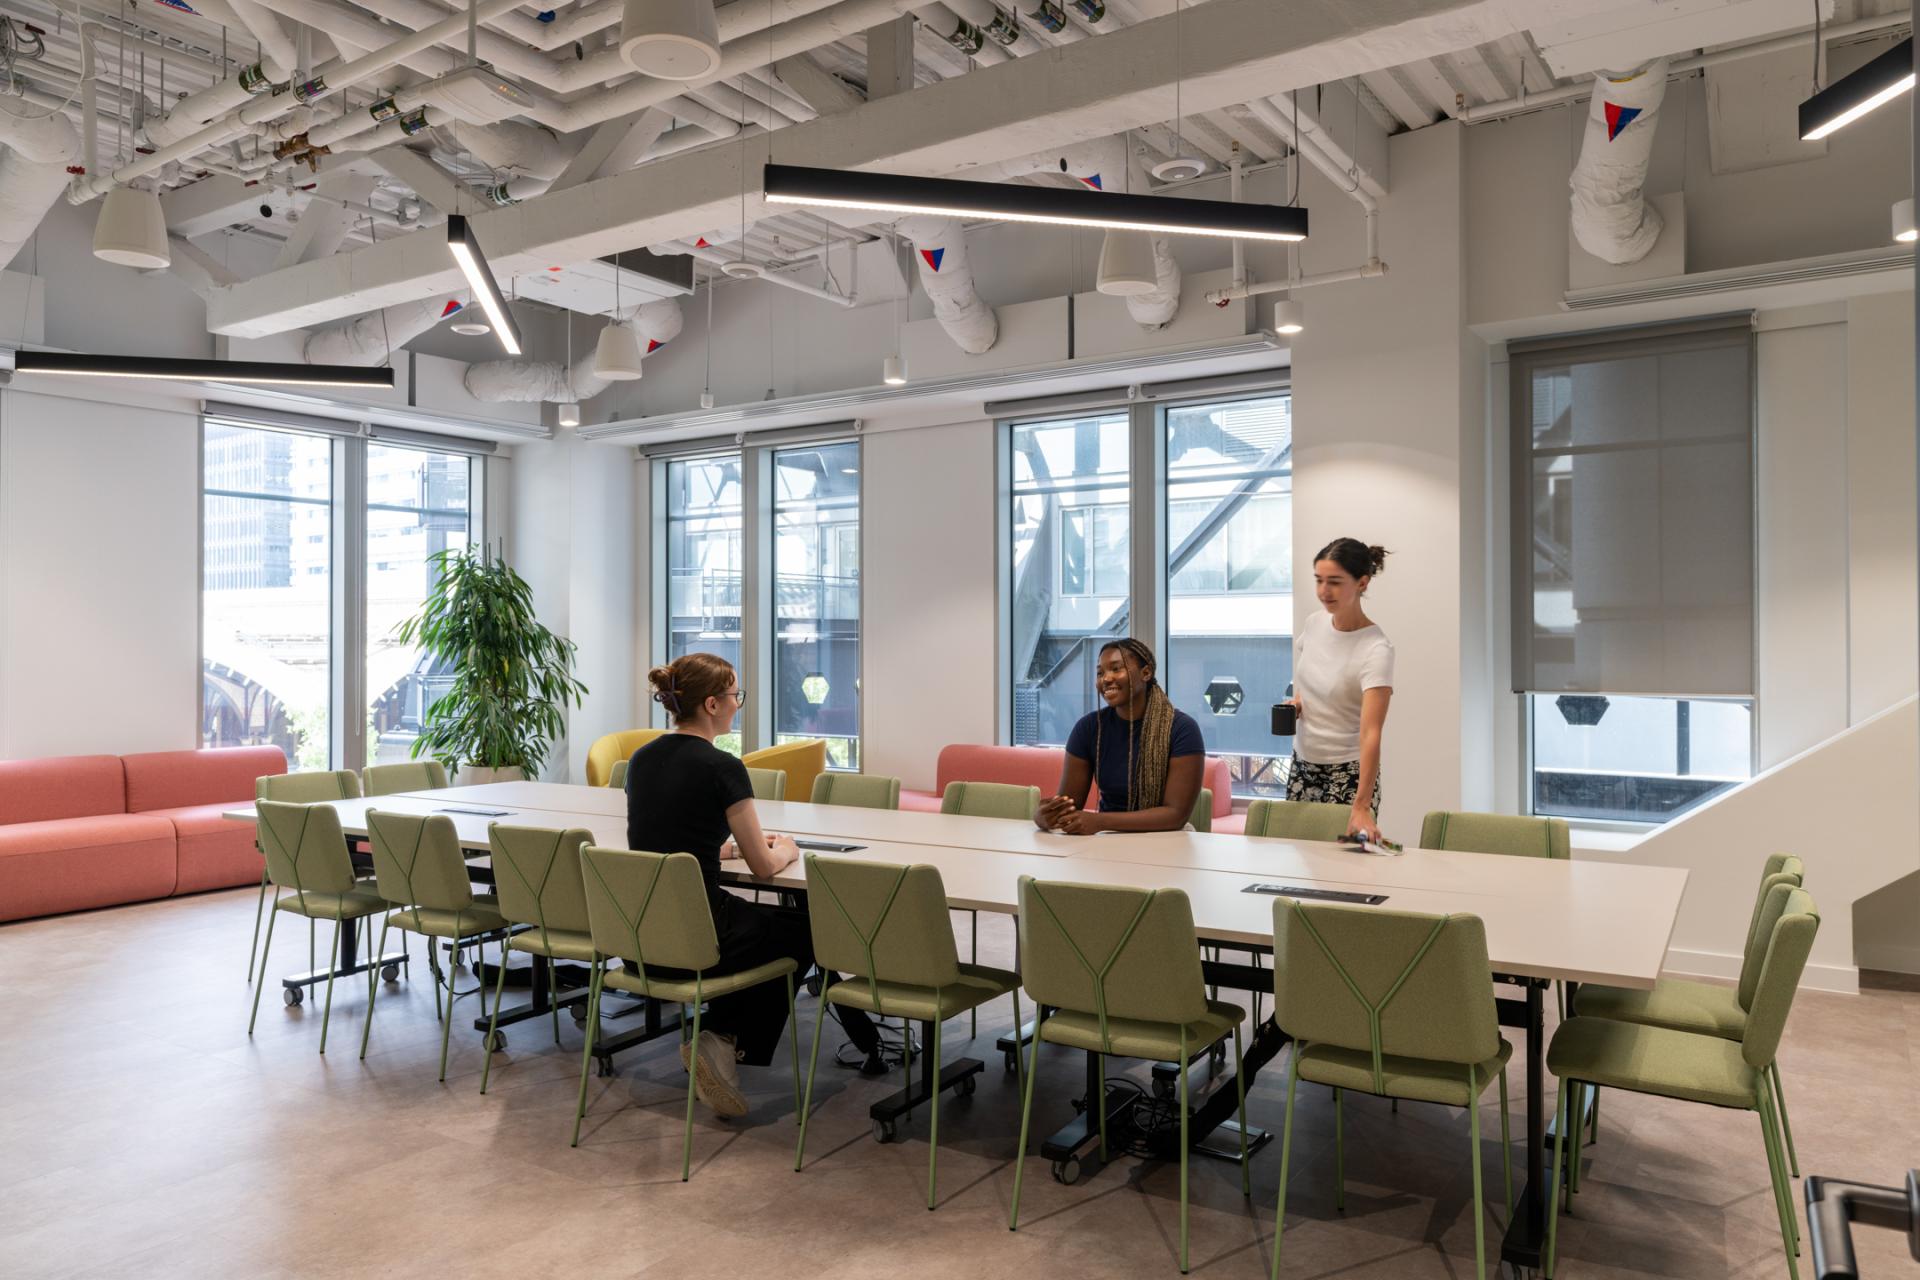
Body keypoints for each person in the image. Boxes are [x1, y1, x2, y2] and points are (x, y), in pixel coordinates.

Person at [625, 652, 882, 1118]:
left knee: (778, 924)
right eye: (734, 695)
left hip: (640, 931)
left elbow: (659, 837)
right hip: (700, 931)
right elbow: (765, 868)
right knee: (803, 929)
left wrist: (719, 848)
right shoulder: (722, 766)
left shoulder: (641, 760)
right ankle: (721, 1037)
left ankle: (721, 1037)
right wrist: (787, 848)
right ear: (711, 705)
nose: (737, 704)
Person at [1283, 538, 1394, 841]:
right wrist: (1298, 705)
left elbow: (1371, 733)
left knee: (1342, 873)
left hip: (1347, 772)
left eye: (1334, 582)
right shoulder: (1314, 624)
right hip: (1303, 763)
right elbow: (1312, 684)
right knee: (1299, 862)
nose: (1323, 591)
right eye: (1319, 580)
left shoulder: (1376, 649)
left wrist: (1362, 804)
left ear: (1362, 583)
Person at [1037, 638, 1207, 835]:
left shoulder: (1181, 729)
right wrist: (1045, 817)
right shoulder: (1088, 728)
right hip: (1109, 837)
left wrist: (1099, 821)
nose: (1106, 679)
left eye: (1116, 669)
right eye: (1100, 673)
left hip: (1167, 837)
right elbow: (1067, 805)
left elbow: (1175, 815)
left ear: (1146, 673)